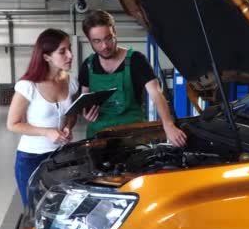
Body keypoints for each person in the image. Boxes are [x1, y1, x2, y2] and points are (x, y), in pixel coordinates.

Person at [78, 10, 187, 147]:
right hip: (99, 138)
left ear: (115, 33)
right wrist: (85, 113)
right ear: (89, 40)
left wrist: (168, 125)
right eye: (97, 41)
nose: (104, 46)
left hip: (133, 134)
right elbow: (84, 99)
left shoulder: (136, 60)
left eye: (108, 38)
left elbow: (156, 92)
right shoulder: (88, 66)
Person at [7, 28, 78, 207]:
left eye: (69, 49)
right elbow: (13, 124)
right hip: (32, 159)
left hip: (61, 156)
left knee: (60, 209)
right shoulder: (28, 86)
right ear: (46, 57)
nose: (70, 55)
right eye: (62, 51)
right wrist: (46, 132)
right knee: (34, 211)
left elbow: (71, 113)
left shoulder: (71, 81)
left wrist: (69, 126)